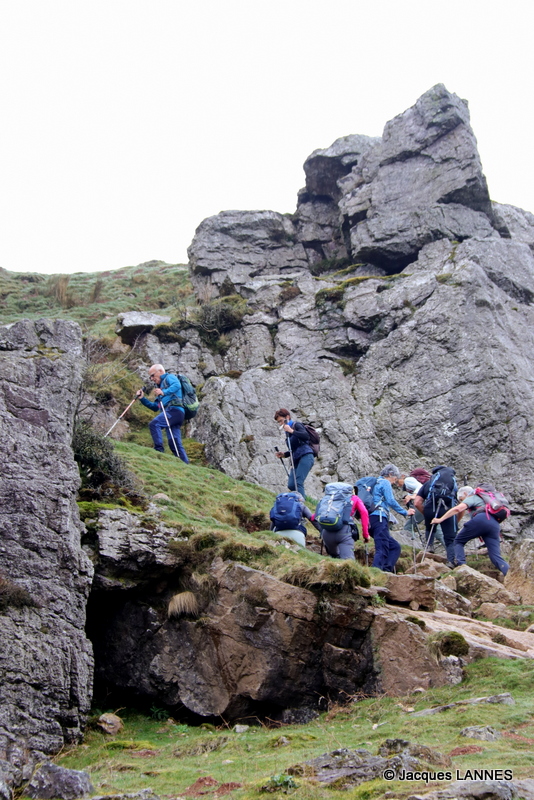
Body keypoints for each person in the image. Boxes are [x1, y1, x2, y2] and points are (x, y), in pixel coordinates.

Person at [136, 364, 189, 463]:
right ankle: (185, 465)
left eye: (152, 375)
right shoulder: (160, 388)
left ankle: (159, 451)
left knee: (154, 424)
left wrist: (164, 392)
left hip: (174, 410)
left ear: (160, 371)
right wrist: (142, 399)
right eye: (150, 377)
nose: (152, 379)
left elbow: (177, 385)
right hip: (175, 414)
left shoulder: (169, 377)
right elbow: (155, 407)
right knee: (174, 442)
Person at [370, 465, 414, 572]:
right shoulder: (385, 482)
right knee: (382, 549)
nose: (394, 482)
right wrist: (405, 512)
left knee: (394, 547)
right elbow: (391, 501)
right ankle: (376, 573)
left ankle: (386, 572)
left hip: (371, 519)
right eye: (395, 478)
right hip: (379, 517)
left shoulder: (375, 483)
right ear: (390, 474)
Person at [414, 465, 458, 567]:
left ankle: (429, 547)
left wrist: (426, 514)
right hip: (447, 510)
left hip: (431, 508)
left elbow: (417, 502)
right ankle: (451, 561)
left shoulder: (429, 483)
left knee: (430, 527)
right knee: (450, 538)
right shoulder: (452, 483)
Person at [452, 507, 510, 575]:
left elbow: (460, 507)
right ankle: (509, 573)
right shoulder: (493, 504)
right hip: (495, 525)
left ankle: (462, 565)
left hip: (481, 519)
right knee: (495, 555)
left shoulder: (473, 500)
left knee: (459, 541)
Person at [312, 493, 370, 560]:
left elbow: (314, 517)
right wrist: (366, 535)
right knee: (347, 561)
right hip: (344, 533)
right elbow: (364, 512)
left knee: (334, 558)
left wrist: (321, 529)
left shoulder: (330, 498)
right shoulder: (354, 498)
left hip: (327, 533)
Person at [274, 408, 314, 499]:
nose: (280, 424)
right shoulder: (287, 431)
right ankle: (304, 499)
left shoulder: (296, 425)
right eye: (278, 422)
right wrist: (285, 454)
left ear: (287, 417)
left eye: (281, 420)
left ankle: (301, 504)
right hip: (296, 459)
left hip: (306, 456)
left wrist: (291, 431)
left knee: (298, 482)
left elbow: (306, 436)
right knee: (291, 484)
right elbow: (295, 448)